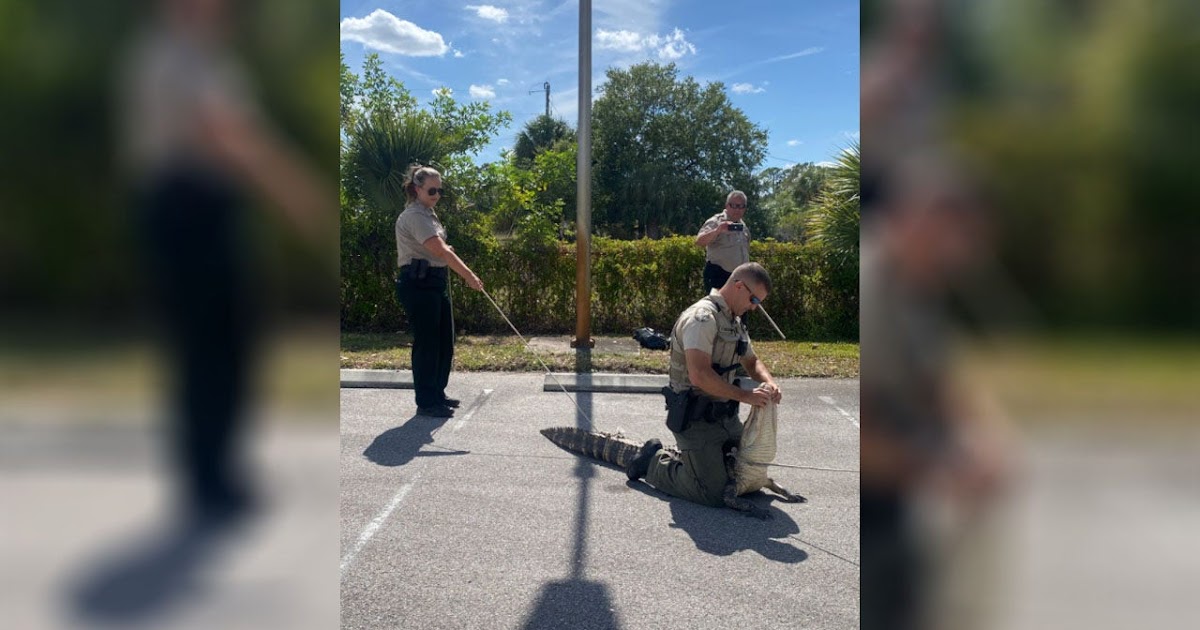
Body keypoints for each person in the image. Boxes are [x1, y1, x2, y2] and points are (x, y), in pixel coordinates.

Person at [626, 262, 783, 510]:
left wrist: (770, 383)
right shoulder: (701, 319)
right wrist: (746, 396)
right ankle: (652, 462)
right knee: (712, 492)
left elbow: (752, 362)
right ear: (739, 286)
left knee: (747, 472)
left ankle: (697, 461)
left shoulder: (735, 321)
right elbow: (699, 375)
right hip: (694, 419)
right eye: (754, 299)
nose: (754, 306)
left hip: (725, 418)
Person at [394, 165, 484, 418]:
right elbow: (440, 251)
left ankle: (437, 393)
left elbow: (439, 247)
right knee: (428, 344)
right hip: (419, 284)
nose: (436, 195)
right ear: (416, 189)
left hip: (434, 282)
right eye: (431, 190)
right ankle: (426, 401)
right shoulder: (415, 216)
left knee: (444, 340)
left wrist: (445, 251)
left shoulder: (428, 214)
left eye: (439, 190)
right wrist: (469, 276)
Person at [695, 191, 752, 291]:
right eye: (734, 205)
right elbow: (699, 241)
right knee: (718, 306)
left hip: (739, 278)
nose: (737, 209)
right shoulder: (716, 221)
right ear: (727, 205)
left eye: (741, 206)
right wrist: (718, 230)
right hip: (718, 276)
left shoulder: (743, 227)